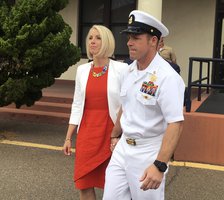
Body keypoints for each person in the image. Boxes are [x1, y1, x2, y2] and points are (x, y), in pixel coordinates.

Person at [103, 10, 185, 200]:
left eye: (136, 38)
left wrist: (160, 165)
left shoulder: (168, 78)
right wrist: (115, 134)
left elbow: (175, 123)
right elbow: (125, 106)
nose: (129, 42)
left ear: (153, 41)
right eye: (129, 37)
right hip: (123, 149)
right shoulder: (128, 71)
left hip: (148, 152)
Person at [62, 25, 128, 200]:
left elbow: (126, 104)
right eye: (90, 37)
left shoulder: (121, 70)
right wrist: (69, 137)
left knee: (113, 187)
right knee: (83, 184)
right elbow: (77, 104)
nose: (92, 41)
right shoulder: (82, 70)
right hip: (87, 134)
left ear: (106, 42)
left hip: (111, 134)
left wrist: (119, 133)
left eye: (98, 37)